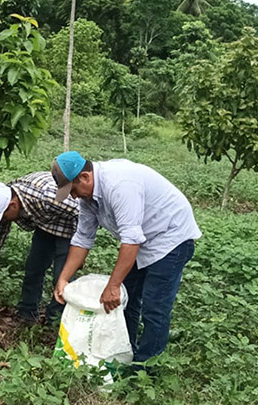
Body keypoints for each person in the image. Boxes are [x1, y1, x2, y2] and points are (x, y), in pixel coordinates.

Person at [51, 151, 201, 365]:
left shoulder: (120, 184)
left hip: (170, 238)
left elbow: (131, 240)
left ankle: (145, 369)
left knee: (154, 307)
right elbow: (83, 237)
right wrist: (63, 278)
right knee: (125, 299)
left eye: (73, 190)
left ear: (84, 177)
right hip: (143, 240)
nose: (74, 197)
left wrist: (112, 285)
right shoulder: (88, 198)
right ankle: (124, 356)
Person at [0, 172, 79, 325]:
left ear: (13, 205)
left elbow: (80, 212)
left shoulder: (47, 196)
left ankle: (55, 320)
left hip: (69, 226)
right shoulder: (6, 199)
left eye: (3, 217)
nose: (3, 220)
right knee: (33, 268)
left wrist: (79, 249)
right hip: (45, 224)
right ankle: (27, 315)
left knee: (62, 276)